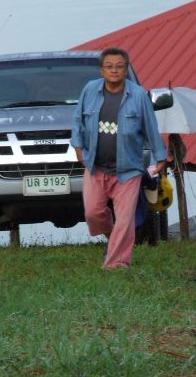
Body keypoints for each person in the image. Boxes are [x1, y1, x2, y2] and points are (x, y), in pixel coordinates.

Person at [71, 47, 167, 268]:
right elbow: (77, 121)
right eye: (109, 66)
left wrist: (160, 156)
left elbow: (151, 127)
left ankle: (116, 265)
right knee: (93, 213)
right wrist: (78, 147)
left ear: (126, 69)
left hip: (128, 169)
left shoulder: (139, 95)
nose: (114, 71)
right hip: (96, 166)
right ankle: (114, 239)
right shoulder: (89, 90)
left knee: (125, 220)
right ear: (102, 70)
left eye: (119, 66)